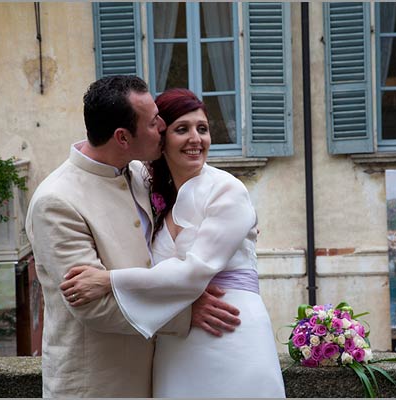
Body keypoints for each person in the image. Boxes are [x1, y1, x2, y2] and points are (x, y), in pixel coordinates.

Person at [61, 88, 286, 398]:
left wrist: (108, 280)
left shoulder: (227, 190)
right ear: (160, 139)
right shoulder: (151, 192)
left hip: (230, 329)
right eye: (182, 129)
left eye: (203, 129)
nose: (196, 138)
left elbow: (194, 273)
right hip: (175, 345)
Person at [25, 76, 240, 398]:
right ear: (123, 137)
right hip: (98, 384)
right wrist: (185, 314)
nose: (163, 126)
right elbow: (92, 305)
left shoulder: (139, 174)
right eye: (154, 122)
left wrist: (235, 227)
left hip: (159, 372)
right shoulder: (55, 201)